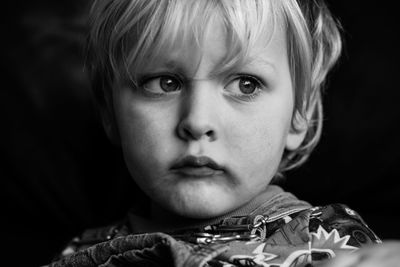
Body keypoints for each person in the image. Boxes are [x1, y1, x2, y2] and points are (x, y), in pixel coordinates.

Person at [47, 0, 398, 266]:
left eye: (246, 85)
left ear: (297, 115)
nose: (198, 122)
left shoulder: (329, 241)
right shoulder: (82, 252)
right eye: (164, 83)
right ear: (110, 114)